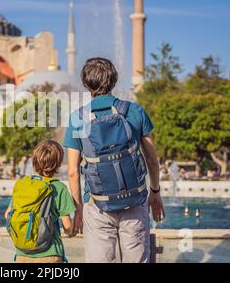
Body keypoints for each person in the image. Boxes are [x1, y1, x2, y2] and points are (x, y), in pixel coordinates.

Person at [64, 57, 165, 263]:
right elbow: (153, 160)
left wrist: (79, 210)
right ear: (114, 80)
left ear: (86, 83)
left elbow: (73, 171)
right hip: (134, 202)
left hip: (97, 203)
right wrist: (155, 192)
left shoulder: (78, 118)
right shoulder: (134, 111)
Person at [5, 140, 76, 263]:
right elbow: (68, 226)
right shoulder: (58, 188)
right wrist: (72, 230)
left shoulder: (23, 184)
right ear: (57, 164)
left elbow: (8, 214)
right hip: (50, 254)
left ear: (35, 161)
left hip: (22, 254)